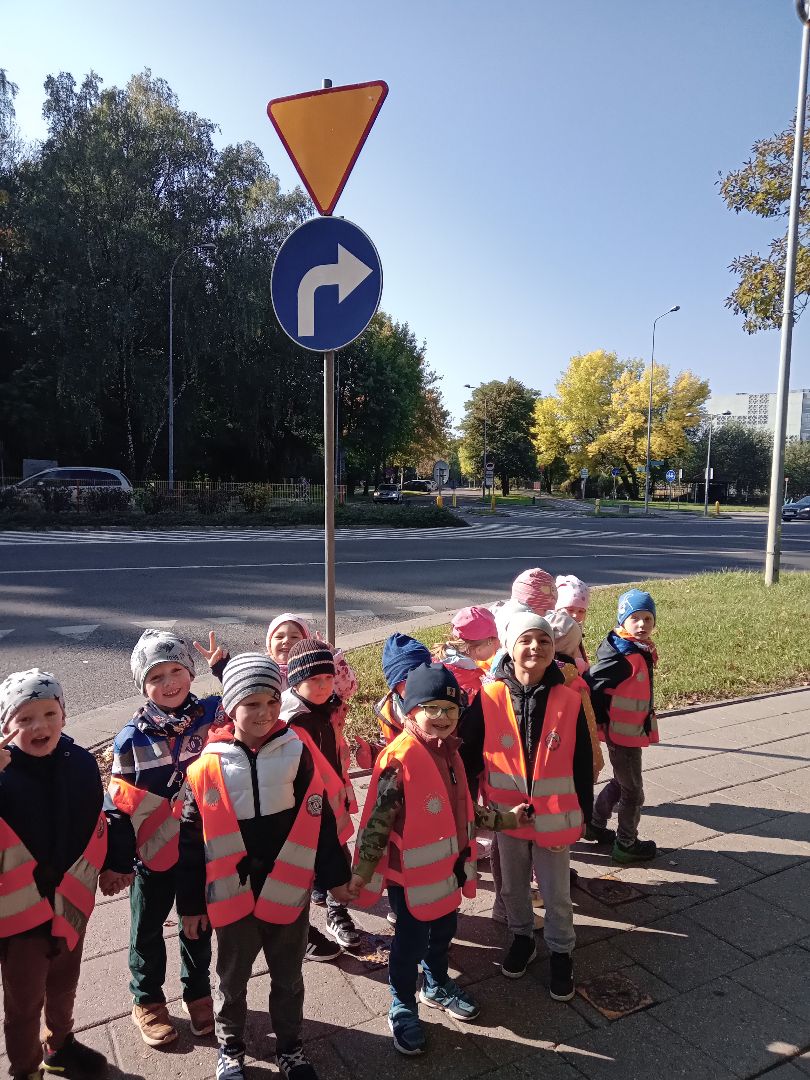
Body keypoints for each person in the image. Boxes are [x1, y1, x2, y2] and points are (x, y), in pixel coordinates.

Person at [178, 653, 352, 1080]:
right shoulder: (207, 767)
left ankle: (290, 1048)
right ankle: (230, 1047)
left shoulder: (295, 752)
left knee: (289, 978)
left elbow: (319, 818)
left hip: (288, 890)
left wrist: (336, 877)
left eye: (273, 701)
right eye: (252, 703)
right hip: (232, 895)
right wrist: (191, 906)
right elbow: (190, 843)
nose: (265, 712)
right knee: (232, 980)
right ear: (229, 706)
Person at [347, 663, 533, 1057]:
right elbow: (378, 823)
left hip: (446, 872)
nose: (443, 716)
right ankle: (402, 1005)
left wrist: (506, 820)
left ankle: (435, 985)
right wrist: (361, 873)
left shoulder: (450, 752)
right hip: (411, 880)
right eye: (432, 708)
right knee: (410, 943)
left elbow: (464, 808)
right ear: (410, 710)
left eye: (450, 709)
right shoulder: (399, 759)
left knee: (444, 932)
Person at [458, 611, 593, 996]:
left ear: (553, 649)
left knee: (555, 890)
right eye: (526, 640)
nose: (536, 647)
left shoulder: (568, 699)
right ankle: (521, 938)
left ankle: (562, 951)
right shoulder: (488, 698)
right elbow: (467, 755)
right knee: (513, 886)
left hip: (555, 816)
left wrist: (585, 811)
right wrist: (466, 805)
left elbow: (582, 761)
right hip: (507, 816)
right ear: (509, 648)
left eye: (544, 640)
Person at [0, 669, 117, 1080]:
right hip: (20, 917)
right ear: (6, 728)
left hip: (70, 902)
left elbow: (98, 817)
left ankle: (60, 1045)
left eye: (50, 713)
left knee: (65, 983)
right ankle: (25, 1068)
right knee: (23, 1001)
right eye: (25, 718)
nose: (40, 726)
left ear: (64, 716)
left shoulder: (80, 763)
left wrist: (115, 862)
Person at [106, 630, 221, 1047]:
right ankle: (147, 999)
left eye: (176, 670)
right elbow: (118, 806)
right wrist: (119, 862)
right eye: (156, 677)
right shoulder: (131, 739)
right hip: (151, 854)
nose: (169, 682)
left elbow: (253, 697)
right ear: (143, 686)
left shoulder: (212, 716)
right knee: (147, 929)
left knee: (198, 922)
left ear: (190, 672)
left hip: (200, 848)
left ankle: (198, 991)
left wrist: (223, 668)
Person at [280, 639, 362, 961]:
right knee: (307, 868)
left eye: (328, 678)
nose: (324, 685)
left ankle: (335, 911)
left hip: (330, 803)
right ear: (295, 681)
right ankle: (303, 929)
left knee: (337, 857)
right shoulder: (293, 723)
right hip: (307, 811)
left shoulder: (325, 709)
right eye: (314, 679)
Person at [586, 589, 660, 863]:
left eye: (648, 619)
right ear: (622, 620)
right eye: (635, 618)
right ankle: (626, 844)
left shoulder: (634, 648)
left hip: (628, 730)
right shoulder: (624, 655)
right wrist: (600, 718)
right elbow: (593, 682)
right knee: (634, 792)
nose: (642, 624)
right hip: (622, 733)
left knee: (622, 781)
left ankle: (595, 823)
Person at [353, 633, 431, 770]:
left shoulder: (442, 702)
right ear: (394, 685)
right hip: (407, 774)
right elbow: (389, 745)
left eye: (423, 676)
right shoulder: (388, 712)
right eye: (408, 680)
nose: (416, 683)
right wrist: (373, 753)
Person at [547, 610, 604, 784]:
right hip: (574, 762)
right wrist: (595, 762)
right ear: (573, 648)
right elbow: (588, 726)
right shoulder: (575, 682)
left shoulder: (534, 677)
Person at [431, 606, 499, 701]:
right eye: (495, 642)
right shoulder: (470, 685)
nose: (497, 647)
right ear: (479, 649)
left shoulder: (439, 659)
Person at [554, 575, 591, 669]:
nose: (575, 615)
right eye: (570, 610)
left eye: (581, 611)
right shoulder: (556, 632)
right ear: (558, 609)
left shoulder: (577, 627)